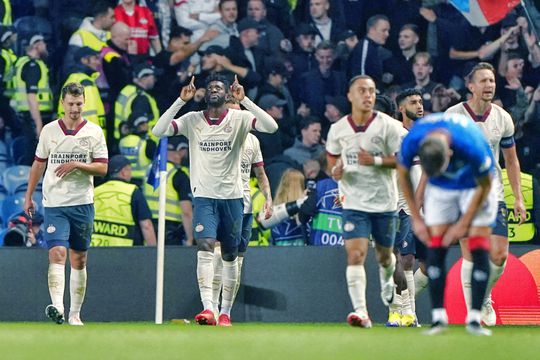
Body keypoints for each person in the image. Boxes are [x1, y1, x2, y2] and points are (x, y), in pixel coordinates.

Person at [151, 74, 278, 326]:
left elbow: (272, 127)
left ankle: (225, 313)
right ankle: (208, 308)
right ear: (204, 94)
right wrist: (180, 100)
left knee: (231, 256)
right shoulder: (192, 120)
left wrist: (247, 101)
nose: (214, 90)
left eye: (219, 87)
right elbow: (158, 130)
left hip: (233, 199)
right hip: (204, 197)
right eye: (210, 88)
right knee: (206, 245)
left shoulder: (240, 120)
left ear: (227, 93)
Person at [398, 112, 497, 336]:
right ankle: (438, 319)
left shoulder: (471, 143)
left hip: (475, 184)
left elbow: (486, 184)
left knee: (478, 242)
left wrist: (463, 222)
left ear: (450, 154)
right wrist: (415, 216)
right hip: (442, 188)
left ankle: (474, 318)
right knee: (436, 245)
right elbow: (402, 175)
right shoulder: (413, 139)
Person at [445, 62, 526, 327]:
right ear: (471, 86)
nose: (489, 85)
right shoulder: (453, 116)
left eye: (491, 80)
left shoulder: (502, 117)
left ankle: (485, 295)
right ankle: (474, 313)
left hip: (494, 195)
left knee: (499, 256)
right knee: (470, 252)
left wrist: (518, 197)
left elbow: (511, 161)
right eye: (483, 81)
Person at [23, 82, 108, 326]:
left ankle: (75, 314)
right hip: (55, 204)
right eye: (70, 104)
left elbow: (102, 168)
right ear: (62, 103)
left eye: (79, 103)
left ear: (84, 103)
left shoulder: (94, 132)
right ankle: (58, 308)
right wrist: (29, 195)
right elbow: (39, 164)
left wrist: (78, 164)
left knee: (79, 259)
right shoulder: (50, 131)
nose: (75, 108)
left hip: (82, 203)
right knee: (57, 253)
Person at [326, 75, 402, 328]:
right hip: (354, 202)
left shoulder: (389, 126)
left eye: (371, 91)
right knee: (356, 254)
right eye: (362, 91)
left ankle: (388, 280)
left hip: (384, 202)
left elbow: (403, 159)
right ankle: (361, 312)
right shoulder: (338, 129)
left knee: (384, 257)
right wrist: (336, 172)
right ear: (350, 96)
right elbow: (332, 160)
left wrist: (377, 161)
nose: (368, 95)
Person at [212, 95, 273, 317]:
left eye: (239, 112)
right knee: (218, 256)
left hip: (245, 208)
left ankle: (225, 312)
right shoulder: (213, 136)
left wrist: (268, 197)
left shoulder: (252, 141)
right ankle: (211, 308)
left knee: (236, 261)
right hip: (221, 203)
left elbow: (260, 173)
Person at [386, 88, 424, 328]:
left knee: (427, 263)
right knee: (404, 259)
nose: (419, 105)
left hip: (425, 205)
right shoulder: (396, 135)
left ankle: (407, 308)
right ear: (401, 108)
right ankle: (405, 312)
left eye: (421, 101)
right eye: (413, 102)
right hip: (401, 204)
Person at [92, 155, 156, 246]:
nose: (131, 174)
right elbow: (146, 225)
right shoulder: (133, 192)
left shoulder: (95, 191)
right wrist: (153, 252)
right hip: (126, 252)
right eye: (130, 170)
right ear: (123, 172)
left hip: (97, 249)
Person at [143, 136, 193, 246]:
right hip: (171, 231)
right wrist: (190, 238)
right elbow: (186, 212)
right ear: (180, 150)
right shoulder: (179, 175)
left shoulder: (150, 170)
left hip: (149, 227)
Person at [58, 47, 106, 136]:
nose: (98, 62)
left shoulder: (73, 79)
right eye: (95, 58)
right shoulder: (85, 82)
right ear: (84, 60)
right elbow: (89, 114)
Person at [12, 33, 53, 138]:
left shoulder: (23, 62)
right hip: (34, 116)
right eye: (43, 44)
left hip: (29, 116)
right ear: (37, 46)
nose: (45, 47)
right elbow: (31, 96)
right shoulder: (33, 66)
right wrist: (38, 124)